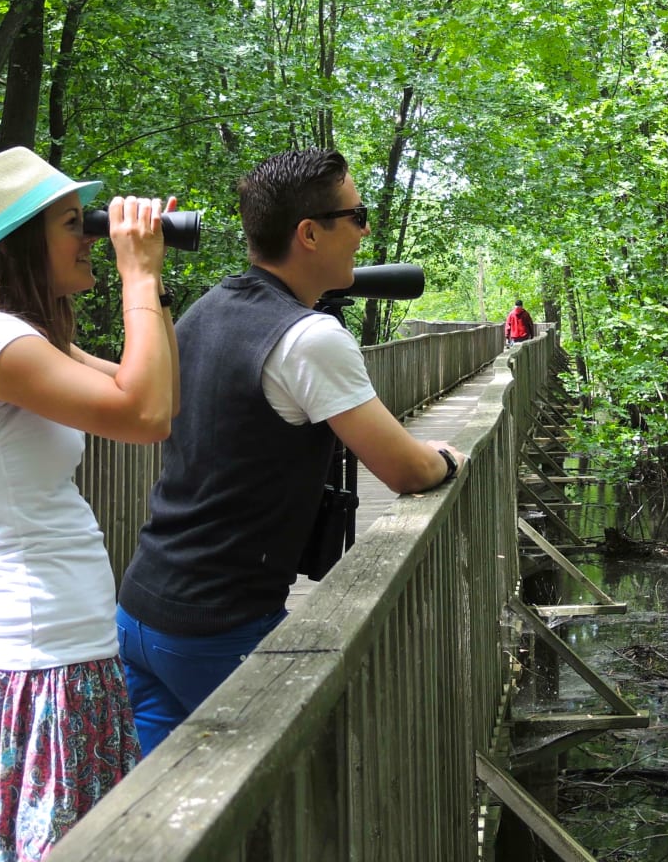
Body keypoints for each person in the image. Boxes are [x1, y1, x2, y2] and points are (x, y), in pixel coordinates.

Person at [116, 147, 468, 755]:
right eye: (356, 215)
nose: (365, 230)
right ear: (309, 234)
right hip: (220, 622)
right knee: (311, 780)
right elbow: (405, 471)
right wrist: (445, 457)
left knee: (153, 815)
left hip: (142, 610)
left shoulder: (206, 310)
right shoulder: (309, 338)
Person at [0, 146, 180, 862]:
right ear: (18, 241)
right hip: (38, 667)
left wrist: (157, 286)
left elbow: (156, 400)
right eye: (71, 223)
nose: (90, 235)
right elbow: (142, 414)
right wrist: (135, 274)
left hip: (60, 655)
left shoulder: (8, 336)